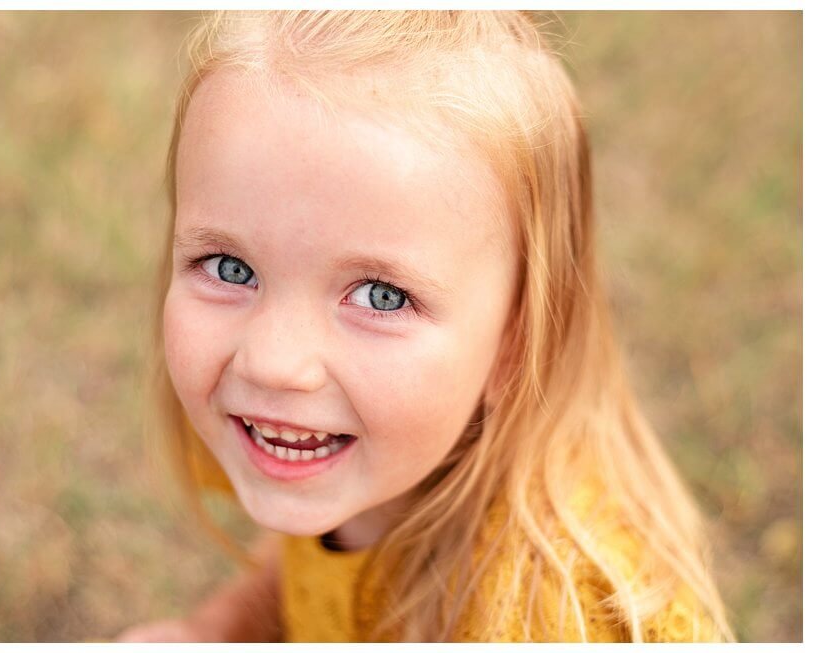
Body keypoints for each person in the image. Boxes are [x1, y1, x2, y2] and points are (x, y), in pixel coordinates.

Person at [119, 11, 731, 642]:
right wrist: (216, 629)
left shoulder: (549, 612)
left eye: (382, 296)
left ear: (514, 345)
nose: (272, 360)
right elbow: (300, 565)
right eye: (229, 267)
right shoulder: (313, 445)